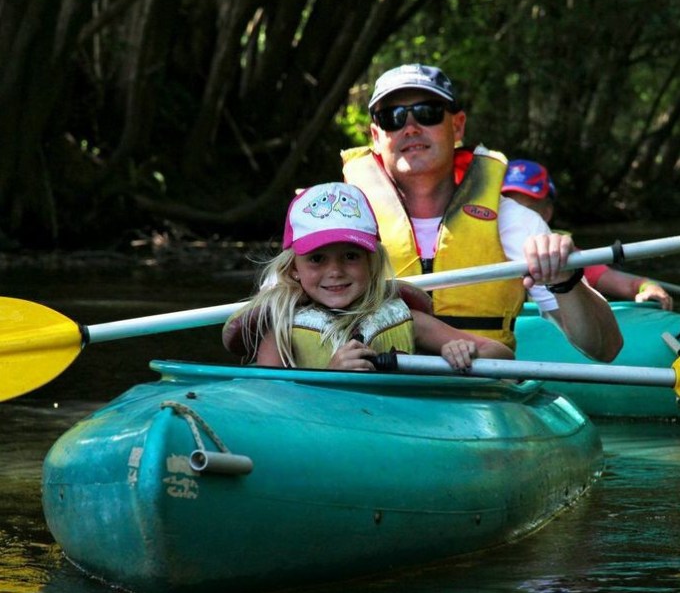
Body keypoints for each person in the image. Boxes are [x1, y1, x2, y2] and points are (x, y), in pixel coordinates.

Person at [341, 63, 623, 362]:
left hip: (480, 389)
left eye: (428, 113)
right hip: (375, 392)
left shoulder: (516, 222)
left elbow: (605, 348)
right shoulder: (340, 222)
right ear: (375, 135)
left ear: (458, 125)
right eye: (392, 118)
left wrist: (565, 279)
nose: (410, 128)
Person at [223, 182, 514, 370]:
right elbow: (266, 403)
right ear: (294, 270)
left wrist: (464, 351)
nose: (334, 271)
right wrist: (331, 377)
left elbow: (501, 354)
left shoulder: (406, 319)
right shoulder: (281, 332)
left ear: (371, 262)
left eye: (351, 256)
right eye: (317, 259)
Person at [503, 159, 674, 311]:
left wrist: (649, 287)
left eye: (525, 210)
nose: (515, 219)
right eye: (506, 209)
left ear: (547, 212)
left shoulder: (565, 256)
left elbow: (633, 284)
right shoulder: (479, 249)